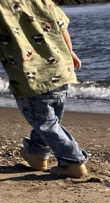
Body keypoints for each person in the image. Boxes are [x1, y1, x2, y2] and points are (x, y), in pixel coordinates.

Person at [0, 0, 89, 178]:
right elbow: (61, 27)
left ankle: (73, 162)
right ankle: (37, 154)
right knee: (49, 118)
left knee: (46, 123)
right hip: (60, 68)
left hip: (31, 77)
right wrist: (70, 52)